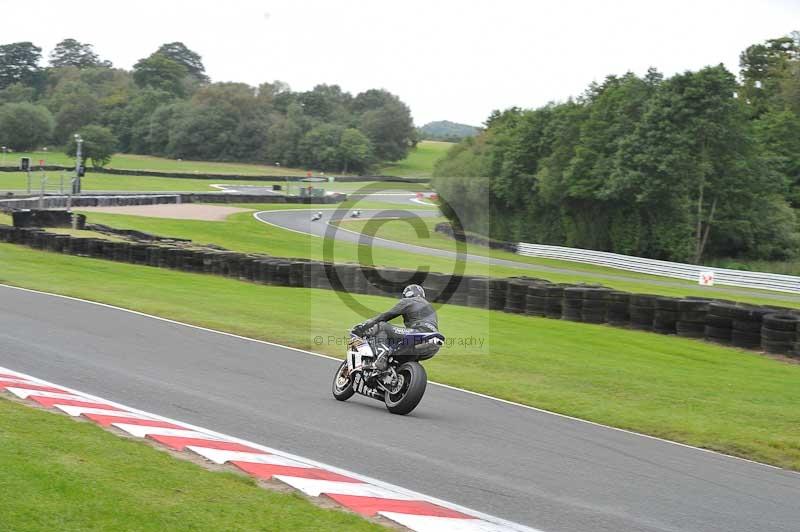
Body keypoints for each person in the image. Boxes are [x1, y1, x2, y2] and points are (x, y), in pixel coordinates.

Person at [352, 284, 438, 371]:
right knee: (401, 358)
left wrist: (364, 325)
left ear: (408, 294)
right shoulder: (430, 307)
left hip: (418, 332)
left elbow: (386, 316)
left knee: (381, 326)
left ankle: (382, 356)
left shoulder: (409, 301)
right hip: (434, 341)